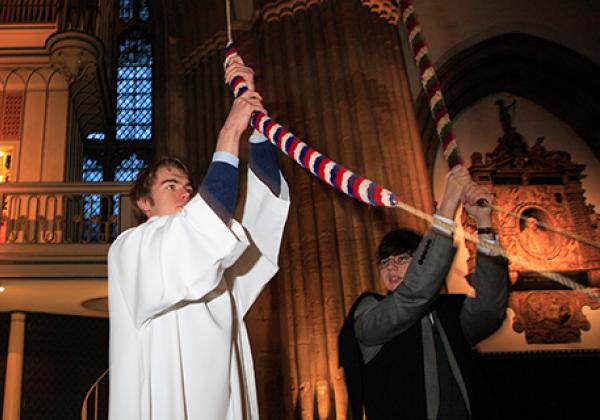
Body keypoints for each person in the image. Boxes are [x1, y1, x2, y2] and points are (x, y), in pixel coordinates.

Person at [108, 56, 290, 419]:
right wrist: (228, 135)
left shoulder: (212, 254)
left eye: (188, 188)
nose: (184, 193)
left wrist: (256, 123)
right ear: (144, 202)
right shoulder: (130, 250)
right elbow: (197, 231)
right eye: (170, 185)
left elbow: (261, 215)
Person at [339, 165, 509, 420]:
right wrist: (447, 206)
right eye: (385, 262)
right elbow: (413, 296)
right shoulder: (369, 312)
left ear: (422, 259)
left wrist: (484, 223)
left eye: (401, 258)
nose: (391, 266)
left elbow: (490, 309)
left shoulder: (448, 312)